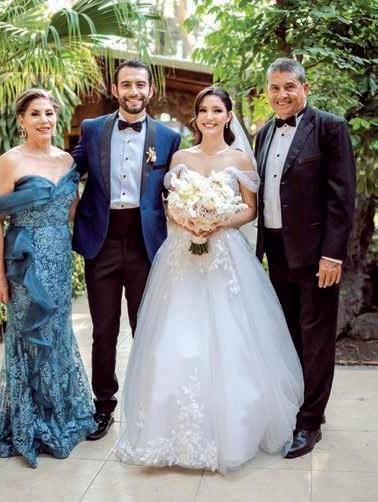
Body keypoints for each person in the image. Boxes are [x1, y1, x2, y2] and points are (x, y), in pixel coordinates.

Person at [116, 86, 304, 474]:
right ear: (196, 117)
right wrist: (187, 220)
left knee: (231, 337)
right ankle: (168, 434)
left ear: (228, 115)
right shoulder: (181, 157)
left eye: (216, 110)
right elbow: (169, 205)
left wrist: (217, 221)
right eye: (203, 110)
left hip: (224, 256)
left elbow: (249, 209)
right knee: (176, 337)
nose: (209, 117)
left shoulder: (239, 158)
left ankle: (232, 431)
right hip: (182, 256)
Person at [0, 89, 96, 468]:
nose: (44, 120)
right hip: (25, 262)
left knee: (57, 332)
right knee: (28, 336)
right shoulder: (10, 161)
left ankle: (57, 413)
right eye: (35, 113)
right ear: (21, 120)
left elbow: (72, 211)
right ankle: (28, 421)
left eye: (49, 113)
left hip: (59, 258)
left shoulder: (67, 160)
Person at [72, 60, 181, 440]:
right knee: (103, 330)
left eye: (140, 85)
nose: (134, 91)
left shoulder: (168, 137)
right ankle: (104, 405)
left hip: (145, 243)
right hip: (100, 241)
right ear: (115, 89)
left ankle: (148, 403)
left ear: (150, 90)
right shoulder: (92, 128)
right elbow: (69, 171)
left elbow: (176, 190)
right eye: (127, 85)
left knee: (146, 327)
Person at [255, 58, 356, 458]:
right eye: (275, 88)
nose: (281, 95)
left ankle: (311, 421)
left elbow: (342, 196)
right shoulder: (263, 133)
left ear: (305, 88)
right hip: (276, 252)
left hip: (316, 256)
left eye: (289, 87)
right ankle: (301, 404)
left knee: (316, 339)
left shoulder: (330, 127)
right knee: (290, 336)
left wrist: (332, 255)